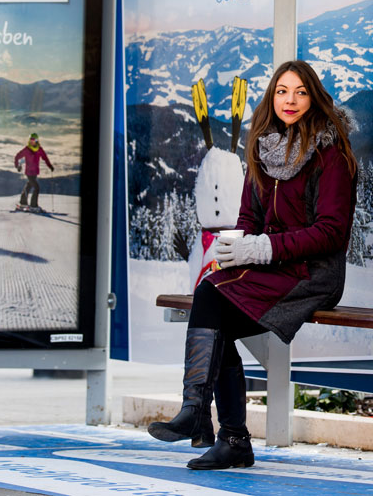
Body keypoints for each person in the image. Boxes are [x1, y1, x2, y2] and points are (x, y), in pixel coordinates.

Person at [148, 60, 358, 470]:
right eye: (282, 91)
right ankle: (223, 432)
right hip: (272, 268)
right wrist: (235, 246)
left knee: (213, 301)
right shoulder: (264, 149)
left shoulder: (330, 155)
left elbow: (331, 232)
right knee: (212, 293)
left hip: (313, 275)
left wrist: (261, 250)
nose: (291, 100)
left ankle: (207, 419)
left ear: (313, 96)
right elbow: (249, 218)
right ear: (271, 97)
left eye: (300, 91)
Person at [14, 132, 54, 210]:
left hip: (35, 172)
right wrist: (17, 166)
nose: (32, 141)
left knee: (29, 185)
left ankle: (23, 202)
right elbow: (17, 157)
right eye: (31, 139)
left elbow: (45, 158)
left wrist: (50, 166)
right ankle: (33, 205)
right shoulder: (26, 149)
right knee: (36, 188)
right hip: (28, 172)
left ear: (36, 140)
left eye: (33, 139)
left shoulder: (39, 149)